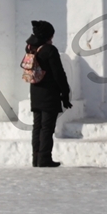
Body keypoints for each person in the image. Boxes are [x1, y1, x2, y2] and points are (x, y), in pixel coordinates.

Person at [22, 19, 72, 167]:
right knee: (47, 128)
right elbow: (59, 74)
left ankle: (36, 158)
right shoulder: (50, 50)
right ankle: (44, 158)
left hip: (35, 92)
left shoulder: (30, 48)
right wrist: (65, 93)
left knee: (37, 127)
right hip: (50, 94)